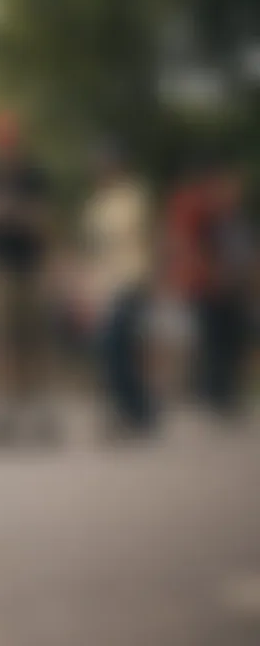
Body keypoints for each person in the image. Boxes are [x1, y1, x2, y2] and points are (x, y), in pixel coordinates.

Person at [0, 110, 55, 446]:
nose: (5, 147)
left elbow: (46, 223)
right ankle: (2, 410)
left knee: (32, 340)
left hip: (30, 265)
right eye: (0, 140)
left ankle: (34, 409)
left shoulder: (34, 175)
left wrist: (18, 211)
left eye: (10, 140)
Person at [166, 158, 253, 420]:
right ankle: (218, 395)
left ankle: (220, 393)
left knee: (224, 339)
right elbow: (193, 245)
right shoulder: (197, 206)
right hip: (207, 283)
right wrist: (214, 273)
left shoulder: (222, 210)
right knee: (216, 339)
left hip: (220, 283)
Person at [81, 144, 155, 438]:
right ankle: (132, 409)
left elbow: (140, 238)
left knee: (118, 347)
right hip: (104, 286)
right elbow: (94, 250)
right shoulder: (96, 204)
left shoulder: (132, 197)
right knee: (110, 350)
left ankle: (135, 409)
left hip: (130, 279)